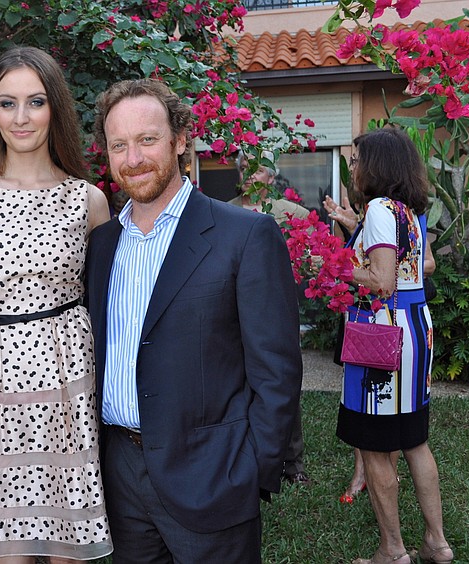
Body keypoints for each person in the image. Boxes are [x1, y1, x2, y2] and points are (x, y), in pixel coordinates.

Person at [86, 78, 303, 563]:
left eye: (147, 140)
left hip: (214, 476)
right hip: (120, 475)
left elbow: (278, 371)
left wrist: (252, 469)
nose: (133, 158)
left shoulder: (245, 236)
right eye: (119, 145)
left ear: (180, 139)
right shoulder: (102, 244)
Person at [0, 46, 113, 564]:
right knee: (3, 554)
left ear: (54, 107)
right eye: (7, 102)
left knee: (67, 552)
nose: (21, 117)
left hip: (67, 395)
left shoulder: (89, 199)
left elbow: (106, 311)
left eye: (34, 102)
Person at [334, 128, 451, 564]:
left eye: (357, 159)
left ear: (377, 164)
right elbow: (411, 271)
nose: (353, 167)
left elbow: (381, 281)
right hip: (415, 331)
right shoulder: (406, 210)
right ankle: (436, 544)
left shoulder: (380, 209)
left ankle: (393, 551)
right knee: (414, 439)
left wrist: (330, 266)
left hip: (381, 338)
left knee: (375, 445)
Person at [230, 150, 312, 486]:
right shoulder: (225, 212)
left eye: (258, 169)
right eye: (244, 169)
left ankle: (293, 462)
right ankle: (245, 455)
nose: (250, 175)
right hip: (235, 311)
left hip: (278, 310)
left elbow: (312, 261)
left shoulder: (293, 214)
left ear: (272, 178)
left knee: (282, 382)